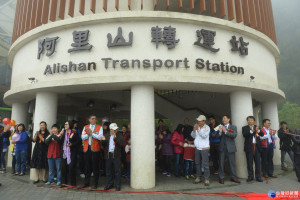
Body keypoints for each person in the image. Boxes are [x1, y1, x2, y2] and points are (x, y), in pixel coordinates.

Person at [81, 114, 104, 189]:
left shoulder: (99, 127)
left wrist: (92, 133)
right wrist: (88, 134)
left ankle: (95, 184)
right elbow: (82, 137)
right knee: (87, 167)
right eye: (92, 119)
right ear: (89, 120)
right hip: (87, 149)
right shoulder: (85, 127)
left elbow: (100, 137)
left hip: (95, 149)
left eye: (95, 119)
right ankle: (86, 183)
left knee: (95, 167)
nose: (94, 120)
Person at [216, 115, 240, 184]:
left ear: (228, 119)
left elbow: (234, 135)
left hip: (231, 148)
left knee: (232, 163)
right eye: (222, 118)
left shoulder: (233, 127)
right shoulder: (220, 126)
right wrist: (220, 132)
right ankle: (221, 177)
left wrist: (225, 131)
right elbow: (217, 136)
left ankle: (233, 177)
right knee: (221, 163)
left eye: (225, 118)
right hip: (222, 148)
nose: (223, 119)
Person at [242, 116, 264, 182]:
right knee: (249, 163)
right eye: (249, 120)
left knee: (257, 163)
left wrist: (258, 130)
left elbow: (262, 134)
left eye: (251, 120)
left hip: (257, 147)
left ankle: (258, 177)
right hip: (249, 147)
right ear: (247, 121)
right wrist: (251, 130)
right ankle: (250, 176)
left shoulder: (257, 127)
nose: (250, 121)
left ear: (254, 121)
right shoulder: (245, 128)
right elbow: (244, 135)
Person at [102, 123, 123, 191]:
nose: (115, 130)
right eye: (114, 129)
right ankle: (109, 184)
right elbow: (104, 146)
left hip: (116, 155)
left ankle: (117, 185)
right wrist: (103, 140)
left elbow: (121, 144)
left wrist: (115, 139)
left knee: (117, 171)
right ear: (110, 130)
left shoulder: (119, 135)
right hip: (108, 155)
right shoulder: (107, 135)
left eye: (116, 129)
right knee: (108, 171)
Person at [191, 115, 210, 186]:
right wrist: (194, 130)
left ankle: (206, 178)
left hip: (204, 148)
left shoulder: (207, 127)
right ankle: (198, 177)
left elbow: (204, 136)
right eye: (198, 120)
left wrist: (198, 130)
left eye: (199, 121)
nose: (198, 122)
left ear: (203, 121)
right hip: (197, 148)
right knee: (197, 163)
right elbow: (193, 136)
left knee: (205, 164)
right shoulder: (197, 127)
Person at [61, 120, 79, 187]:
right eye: (65, 124)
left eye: (66, 124)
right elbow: (60, 141)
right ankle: (63, 183)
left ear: (70, 125)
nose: (65, 125)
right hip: (64, 152)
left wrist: (72, 144)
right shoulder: (63, 132)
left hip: (72, 152)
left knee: (71, 168)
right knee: (63, 168)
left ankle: (73, 183)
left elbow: (78, 142)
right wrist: (60, 134)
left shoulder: (74, 132)